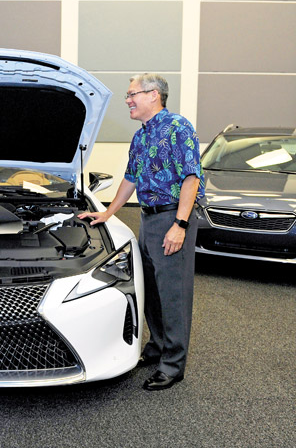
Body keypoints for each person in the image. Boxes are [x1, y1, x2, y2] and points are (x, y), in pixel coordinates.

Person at [78, 73, 204, 391]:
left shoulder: (178, 127)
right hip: (148, 220)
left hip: (173, 219)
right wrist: (107, 212)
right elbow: (130, 179)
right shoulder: (141, 136)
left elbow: (192, 178)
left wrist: (180, 225)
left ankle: (173, 366)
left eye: (132, 94)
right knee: (152, 291)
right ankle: (157, 347)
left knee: (173, 295)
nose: (128, 100)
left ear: (153, 95)